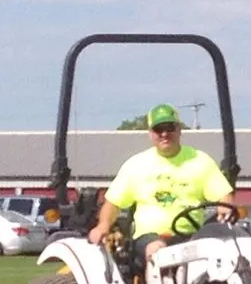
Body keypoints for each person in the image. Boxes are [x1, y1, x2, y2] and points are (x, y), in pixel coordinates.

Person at [88, 103, 236, 272]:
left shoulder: (200, 161)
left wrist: (226, 208)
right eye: (159, 129)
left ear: (179, 129)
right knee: (159, 252)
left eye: (169, 127)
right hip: (150, 238)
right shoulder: (136, 165)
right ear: (150, 134)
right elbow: (113, 203)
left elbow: (224, 196)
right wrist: (103, 226)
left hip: (193, 239)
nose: (164, 134)